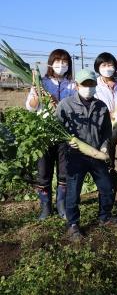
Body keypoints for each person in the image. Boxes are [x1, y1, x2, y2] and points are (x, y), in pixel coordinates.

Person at [56, 69, 117, 241]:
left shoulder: (101, 106)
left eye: (91, 84)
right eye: (85, 84)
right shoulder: (65, 105)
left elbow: (106, 132)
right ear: (77, 86)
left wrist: (103, 147)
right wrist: (67, 142)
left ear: (96, 85)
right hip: (75, 155)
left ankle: (105, 217)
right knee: (73, 192)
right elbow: (57, 130)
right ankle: (73, 224)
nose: (88, 88)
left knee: (106, 187)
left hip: (96, 155)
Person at [26, 49, 75, 219]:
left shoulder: (72, 84)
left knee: (63, 172)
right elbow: (31, 108)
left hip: (63, 134)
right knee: (43, 173)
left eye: (65, 62)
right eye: (57, 61)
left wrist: (59, 103)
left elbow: (74, 107)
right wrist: (38, 94)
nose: (61, 65)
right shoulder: (41, 82)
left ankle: (61, 205)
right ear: (50, 63)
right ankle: (45, 207)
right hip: (44, 135)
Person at [93, 53, 117, 203]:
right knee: (106, 164)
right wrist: (108, 114)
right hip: (102, 131)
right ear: (98, 68)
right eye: (104, 65)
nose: (108, 68)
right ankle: (106, 198)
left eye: (110, 65)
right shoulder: (95, 85)